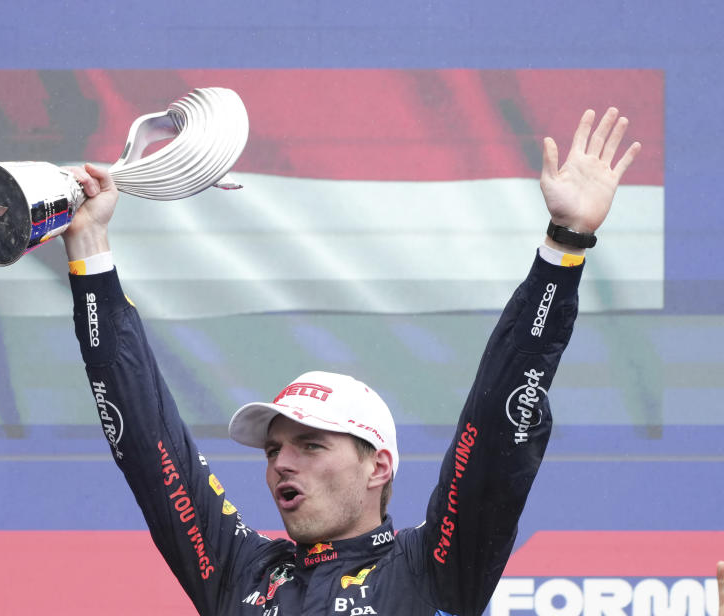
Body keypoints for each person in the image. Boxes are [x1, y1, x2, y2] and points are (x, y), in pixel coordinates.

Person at [60, 108, 641, 615]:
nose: (282, 464)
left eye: (311, 445)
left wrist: (564, 245)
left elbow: (495, 426)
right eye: (273, 449)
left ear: (378, 467)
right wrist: (89, 248)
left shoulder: (433, 569)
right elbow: (144, 437)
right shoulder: (241, 574)